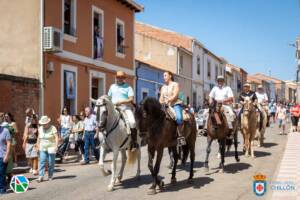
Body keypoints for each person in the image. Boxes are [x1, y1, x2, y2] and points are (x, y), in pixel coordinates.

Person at [108, 71, 139, 150]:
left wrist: (121, 102)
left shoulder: (128, 87)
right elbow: (109, 98)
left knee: (132, 122)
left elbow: (131, 99)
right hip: (113, 108)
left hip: (125, 108)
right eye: (118, 77)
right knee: (104, 119)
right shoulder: (112, 87)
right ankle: (104, 141)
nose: (119, 79)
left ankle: (134, 142)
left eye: (121, 77)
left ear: (124, 78)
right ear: (116, 78)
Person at [159, 71, 185, 145]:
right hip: (165, 106)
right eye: (163, 76)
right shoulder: (163, 87)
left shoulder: (175, 84)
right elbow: (161, 98)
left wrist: (168, 100)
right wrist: (161, 102)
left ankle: (181, 137)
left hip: (175, 104)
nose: (164, 77)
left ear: (170, 76)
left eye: (165, 75)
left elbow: (175, 95)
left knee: (179, 118)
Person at [37, 116, 59, 182]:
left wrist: (56, 146)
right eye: (42, 124)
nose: (43, 125)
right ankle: (41, 176)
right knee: (42, 161)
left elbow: (56, 137)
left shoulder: (53, 128)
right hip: (42, 147)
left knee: (50, 162)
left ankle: (50, 175)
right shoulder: (40, 128)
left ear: (48, 123)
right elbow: (39, 137)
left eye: (44, 124)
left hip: (51, 147)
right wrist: (37, 145)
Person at [0, 113, 11, 195]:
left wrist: (7, 155)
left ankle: (2, 189)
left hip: (2, 155)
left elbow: (9, 143)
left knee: (1, 173)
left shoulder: (5, 130)